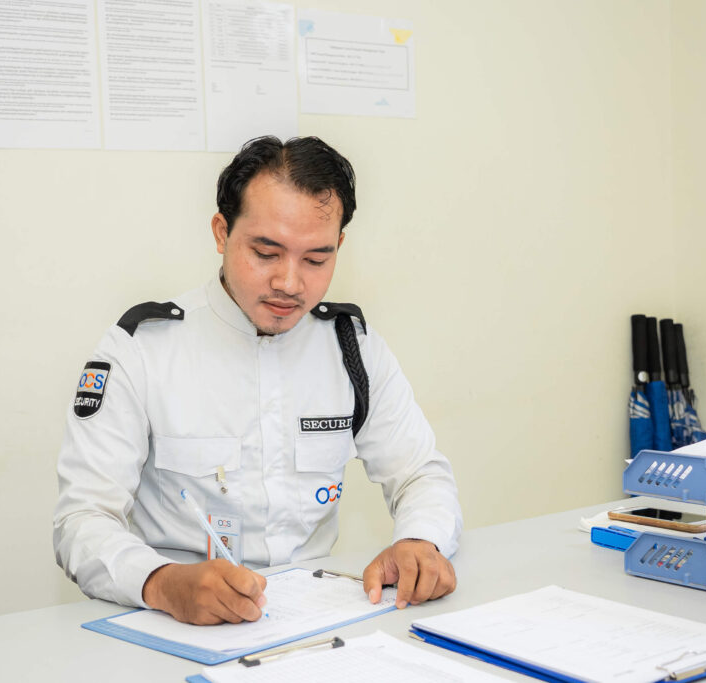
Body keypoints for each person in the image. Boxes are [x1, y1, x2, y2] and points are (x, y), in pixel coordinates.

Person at [54, 136, 463, 625]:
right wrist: (160, 582)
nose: (290, 283)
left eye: (316, 259)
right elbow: (81, 521)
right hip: (174, 623)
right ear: (221, 232)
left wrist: (420, 540)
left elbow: (419, 472)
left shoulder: (352, 348)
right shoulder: (143, 350)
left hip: (316, 621)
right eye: (266, 253)